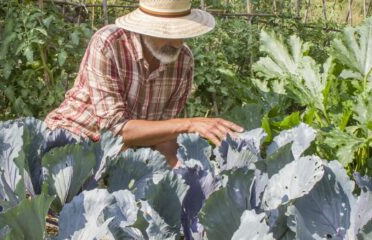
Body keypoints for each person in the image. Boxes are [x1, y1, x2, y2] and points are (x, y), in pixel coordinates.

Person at [45, 0, 243, 167]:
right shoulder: (109, 45)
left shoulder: (184, 60)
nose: (175, 42)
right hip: (76, 140)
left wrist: (184, 171)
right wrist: (190, 124)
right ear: (143, 27)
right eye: (165, 32)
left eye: (180, 32)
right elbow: (115, 129)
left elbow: (164, 134)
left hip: (128, 153)